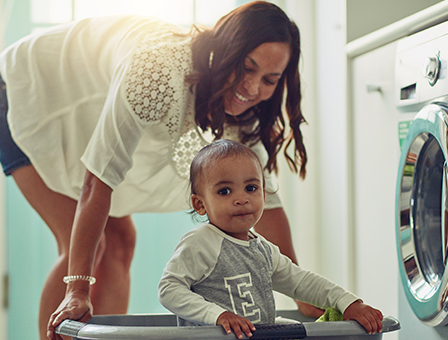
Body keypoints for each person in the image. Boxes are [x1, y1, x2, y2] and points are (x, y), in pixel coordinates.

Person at [0, 2, 320, 340]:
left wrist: (303, 292)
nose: (252, 88)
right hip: (28, 95)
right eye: (246, 68)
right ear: (225, 50)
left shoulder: (241, 109)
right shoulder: (156, 72)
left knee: (121, 241)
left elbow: (265, 202)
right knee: (90, 251)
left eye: (269, 79)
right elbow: (97, 184)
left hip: (86, 116)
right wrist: (77, 292)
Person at [158, 140, 384, 339]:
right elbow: (169, 288)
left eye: (251, 188)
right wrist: (218, 315)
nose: (241, 199)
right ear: (200, 204)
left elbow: (301, 282)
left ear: (264, 194)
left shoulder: (263, 249)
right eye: (225, 191)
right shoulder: (202, 241)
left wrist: (348, 303)